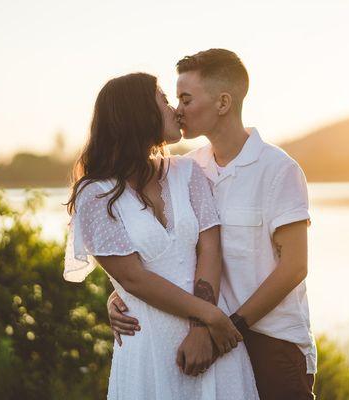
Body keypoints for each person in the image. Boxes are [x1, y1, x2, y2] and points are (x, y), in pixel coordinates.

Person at [108, 49, 317, 400]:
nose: (177, 109)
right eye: (175, 99)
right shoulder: (185, 170)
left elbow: (294, 267)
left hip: (269, 339)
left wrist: (227, 327)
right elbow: (165, 252)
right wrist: (121, 294)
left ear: (223, 102)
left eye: (186, 99)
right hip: (204, 336)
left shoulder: (278, 170)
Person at [63, 72, 258, 399]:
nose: (174, 110)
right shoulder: (94, 195)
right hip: (152, 346)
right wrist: (210, 315)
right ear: (138, 114)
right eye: (164, 100)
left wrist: (202, 329)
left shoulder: (188, 171)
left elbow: (210, 250)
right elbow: (134, 279)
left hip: (211, 340)